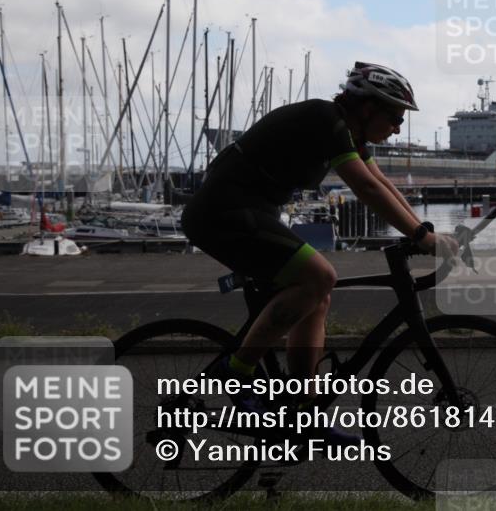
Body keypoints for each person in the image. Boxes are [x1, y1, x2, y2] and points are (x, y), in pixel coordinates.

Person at [182, 62, 459, 427]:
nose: (398, 127)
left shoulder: (349, 134)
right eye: (395, 116)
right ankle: (235, 370)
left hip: (249, 211)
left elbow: (382, 182)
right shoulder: (325, 119)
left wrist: (423, 230)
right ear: (367, 107)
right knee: (319, 277)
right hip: (222, 211)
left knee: (317, 295)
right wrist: (422, 238)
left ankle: (303, 411)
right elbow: (366, 188)